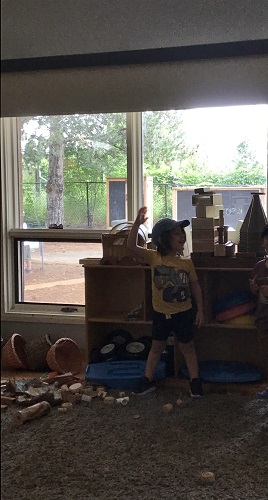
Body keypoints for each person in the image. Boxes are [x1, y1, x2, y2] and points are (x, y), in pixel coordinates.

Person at [127, 206, 205, 397]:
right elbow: (130, 247)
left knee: (187, 347)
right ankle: (147, 379)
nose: (182, 236)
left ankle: (195, 381)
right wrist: (137, 224)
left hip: (184, 313)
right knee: (156, 348)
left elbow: (195, 287)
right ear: (162, 239)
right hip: (160, 313)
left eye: (182, 233)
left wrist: (201, 310)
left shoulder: (186, 262)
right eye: (176, 233)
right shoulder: (154, 257)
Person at [249, 223, 268, 399]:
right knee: (264, 352)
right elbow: (253, 289)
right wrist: (254, 287)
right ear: (263, 243)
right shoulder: (259, 265)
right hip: (263, 316)